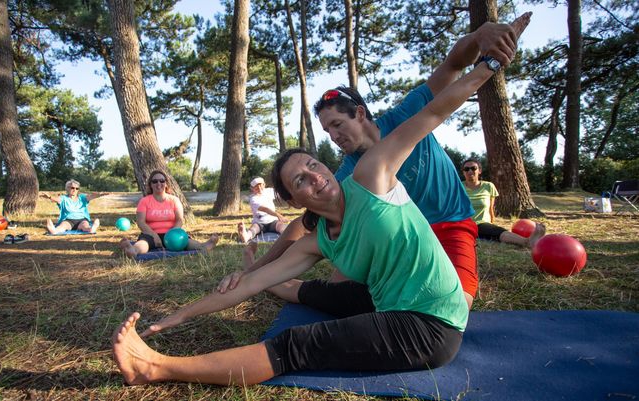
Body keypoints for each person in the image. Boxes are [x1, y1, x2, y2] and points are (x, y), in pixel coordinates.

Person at [111, 13, 529, 386]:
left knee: (296, 343)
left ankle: (155, 368)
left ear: (359, 114)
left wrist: (489, 60)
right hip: (400, 302)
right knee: (333, 294)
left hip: (431, 319)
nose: (316, 173)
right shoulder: (327, 220)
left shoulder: (371, 171)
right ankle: (280, 296)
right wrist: (182, 313)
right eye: (301, 179)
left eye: (314, 163)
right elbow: (263, 272)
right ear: (296, 200)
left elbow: (438, 108)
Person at [219, 18, 529, 310]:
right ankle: (288, 287)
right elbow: (302, 226)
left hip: (450, 226)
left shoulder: (408, 113)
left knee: (455, 305)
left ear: (361, 113)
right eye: (328, 131)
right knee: (342, 286)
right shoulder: (345, 174)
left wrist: (479, 36)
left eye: (338, 124)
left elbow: (454, 65)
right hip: (397, 242)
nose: (334, 136)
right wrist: (253, 271)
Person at [119, 170, 219, 258]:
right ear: (150, 185)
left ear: (166, 184)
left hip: (172, 233)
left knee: (187, 242)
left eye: (162, 181)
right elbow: (141, 222)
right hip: (150, 233)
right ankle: (133, 250)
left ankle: (204, 246)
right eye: (155, 181)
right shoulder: (144, 201)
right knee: (144, 243)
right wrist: (154, 235)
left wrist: (173, 234)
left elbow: (179, 220)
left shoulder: (174, 200)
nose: (159, 183)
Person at [462, 159, 545, 248]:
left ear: (479, 171)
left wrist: (491, 224)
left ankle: (527, 241)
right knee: (494, 232)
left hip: (482, 223)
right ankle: (526, 242)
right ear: (463, 172)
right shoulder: (458, 186)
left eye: (473, 168)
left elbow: (491, 208)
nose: (470, 171)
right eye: (466, 169)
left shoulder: (488, 186)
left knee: (497, 231)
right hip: (465, 224)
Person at [40, 180, 107, 234]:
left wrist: (100, 195)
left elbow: (91, 196)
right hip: (68, 220)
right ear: (67, 188)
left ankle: (92, 228)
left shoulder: (82, 197)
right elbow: (57, 199)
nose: (74, 190)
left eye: (77, 188)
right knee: (62, 227)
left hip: (82, 219)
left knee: (85, 227)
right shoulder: (64, 198)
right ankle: (53, 230)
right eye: (72, 188)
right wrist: (49, 197)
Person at [237, 177, 289, 243]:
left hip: (273, 221)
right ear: (252, 189)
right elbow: (265, 209)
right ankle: (246, 236)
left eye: (260, 185)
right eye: (256, 187)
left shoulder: (269, 191)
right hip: (259, 222)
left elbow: (281, 193)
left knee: (280, 226)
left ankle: (286, 234)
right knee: (254, 228)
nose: (259, 188)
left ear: (264, 184)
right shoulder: (253, 199)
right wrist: (278, 215)